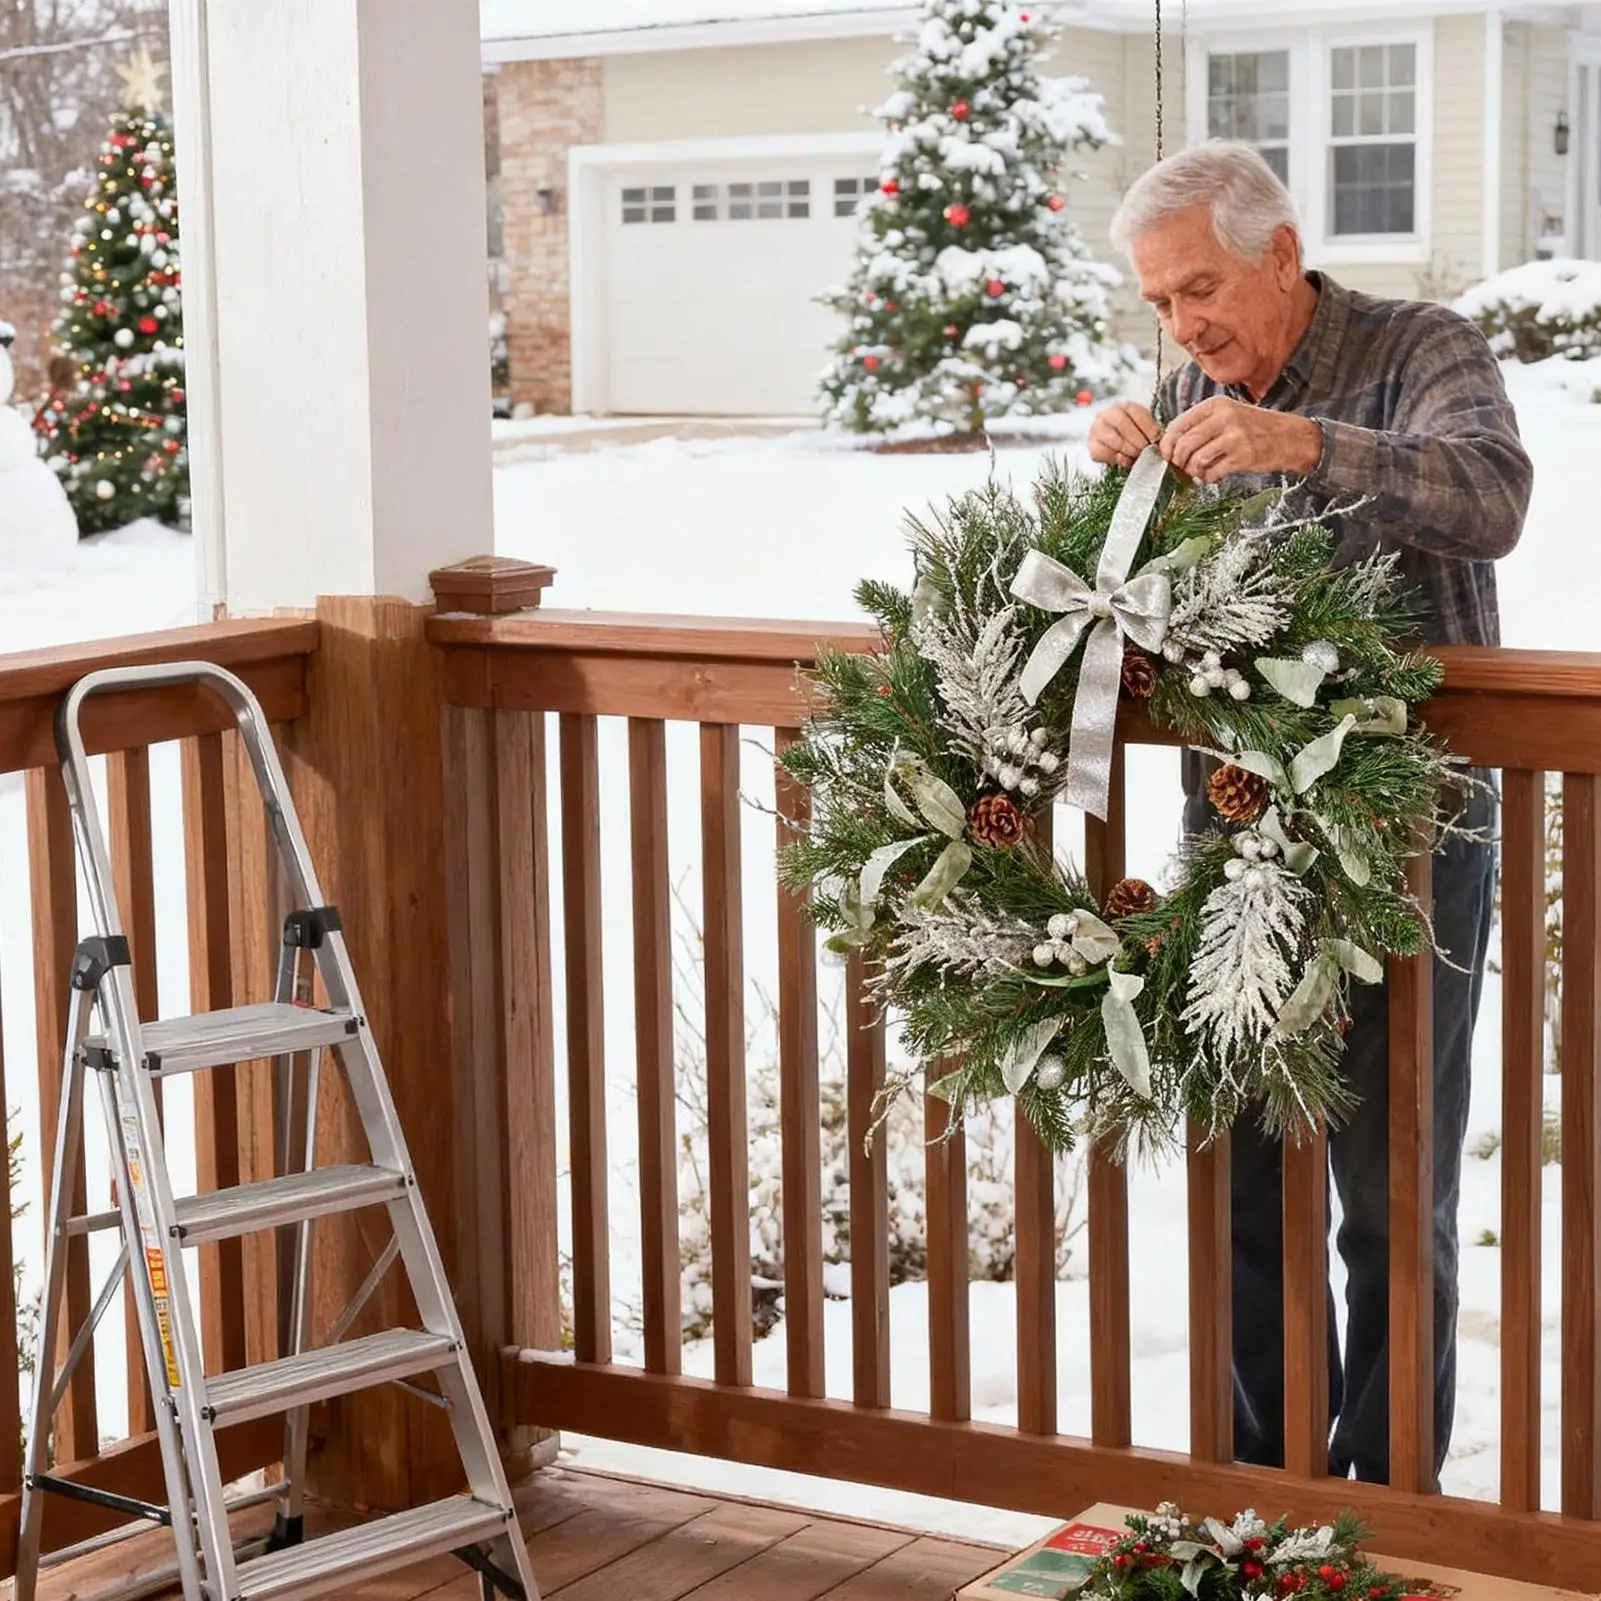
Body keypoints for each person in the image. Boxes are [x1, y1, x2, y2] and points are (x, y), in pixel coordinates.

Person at [1090, 141, 1532, 1485]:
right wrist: (1126, 483)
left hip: (1411, 831)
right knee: (1243, 1180)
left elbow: (1491, 495)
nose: (1184, 326)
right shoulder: (1189, 393)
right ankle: (1262, 1491)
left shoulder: (1422, 345)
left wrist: (1306, 443)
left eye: (1202, 289)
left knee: (1392, 1190)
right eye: (1160, 303)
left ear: (1281, 253)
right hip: (1240, 836)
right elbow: (1158, 617)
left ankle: (1393, 1501)